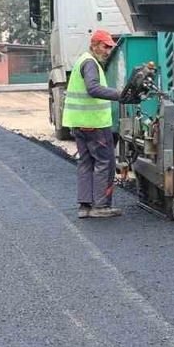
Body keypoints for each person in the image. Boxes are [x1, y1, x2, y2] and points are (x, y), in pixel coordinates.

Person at [62, 29, 124, 219]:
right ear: (95, 45)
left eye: (110, 48)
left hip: (79, 123)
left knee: (86, 162)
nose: (107, 51)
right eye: (105, 47)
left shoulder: (83, 60)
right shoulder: (90, 63)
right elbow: (93, 89)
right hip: (94, 124)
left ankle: (85, 206)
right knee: (105, 162)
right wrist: (120, 95)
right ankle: (100, 206)